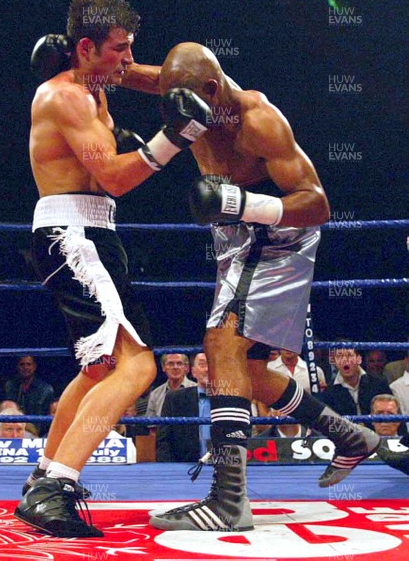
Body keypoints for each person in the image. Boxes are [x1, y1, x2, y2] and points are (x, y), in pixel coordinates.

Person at [149, 42, 381, 532]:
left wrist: (240, 203)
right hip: (235, 236)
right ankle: (349, 436)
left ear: (212, 90)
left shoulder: (258, 120)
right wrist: (94, 70)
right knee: (247, 371)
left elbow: (317, 204)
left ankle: (229, 500)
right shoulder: (188, 93)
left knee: (222, 343)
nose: (180, 115)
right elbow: (146, 78)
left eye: (189, 101)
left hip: (274, 234)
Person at [15, 0, 210, 539]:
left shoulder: (96, 83)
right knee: (138, 367)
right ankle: (57, 486)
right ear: (85, 49)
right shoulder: (67, 98)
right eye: (119, 50)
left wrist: (204, 81)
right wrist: (175, 138)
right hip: (74, 234)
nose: (128, 59)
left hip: (94, 232)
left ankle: (41, 480)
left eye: (130, 48)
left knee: (100, 368)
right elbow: (116, 179)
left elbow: (154, 79)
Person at [157, 352, 210, 462]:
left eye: (212, 364)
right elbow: (164, 440)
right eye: (202, 364)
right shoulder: (175, 398)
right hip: (184, 467)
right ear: (193, 372)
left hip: (224, 466)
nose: (207, 369)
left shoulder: (231, 400)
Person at [321, 348, 392, 416]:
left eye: (349, 355)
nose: (345, 360)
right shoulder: (329, 392)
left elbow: (392, 412)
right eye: (339, 356)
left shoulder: (379, 383)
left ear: (359, 359)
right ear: (334, 362)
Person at [4, 355, 55, 421]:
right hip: (15, 427)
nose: (25, 367)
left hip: (38, 429)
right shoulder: (10, 386)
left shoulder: (46, 389)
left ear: (34, 367)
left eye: (28, 364)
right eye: (22, 364)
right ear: (17, 367)